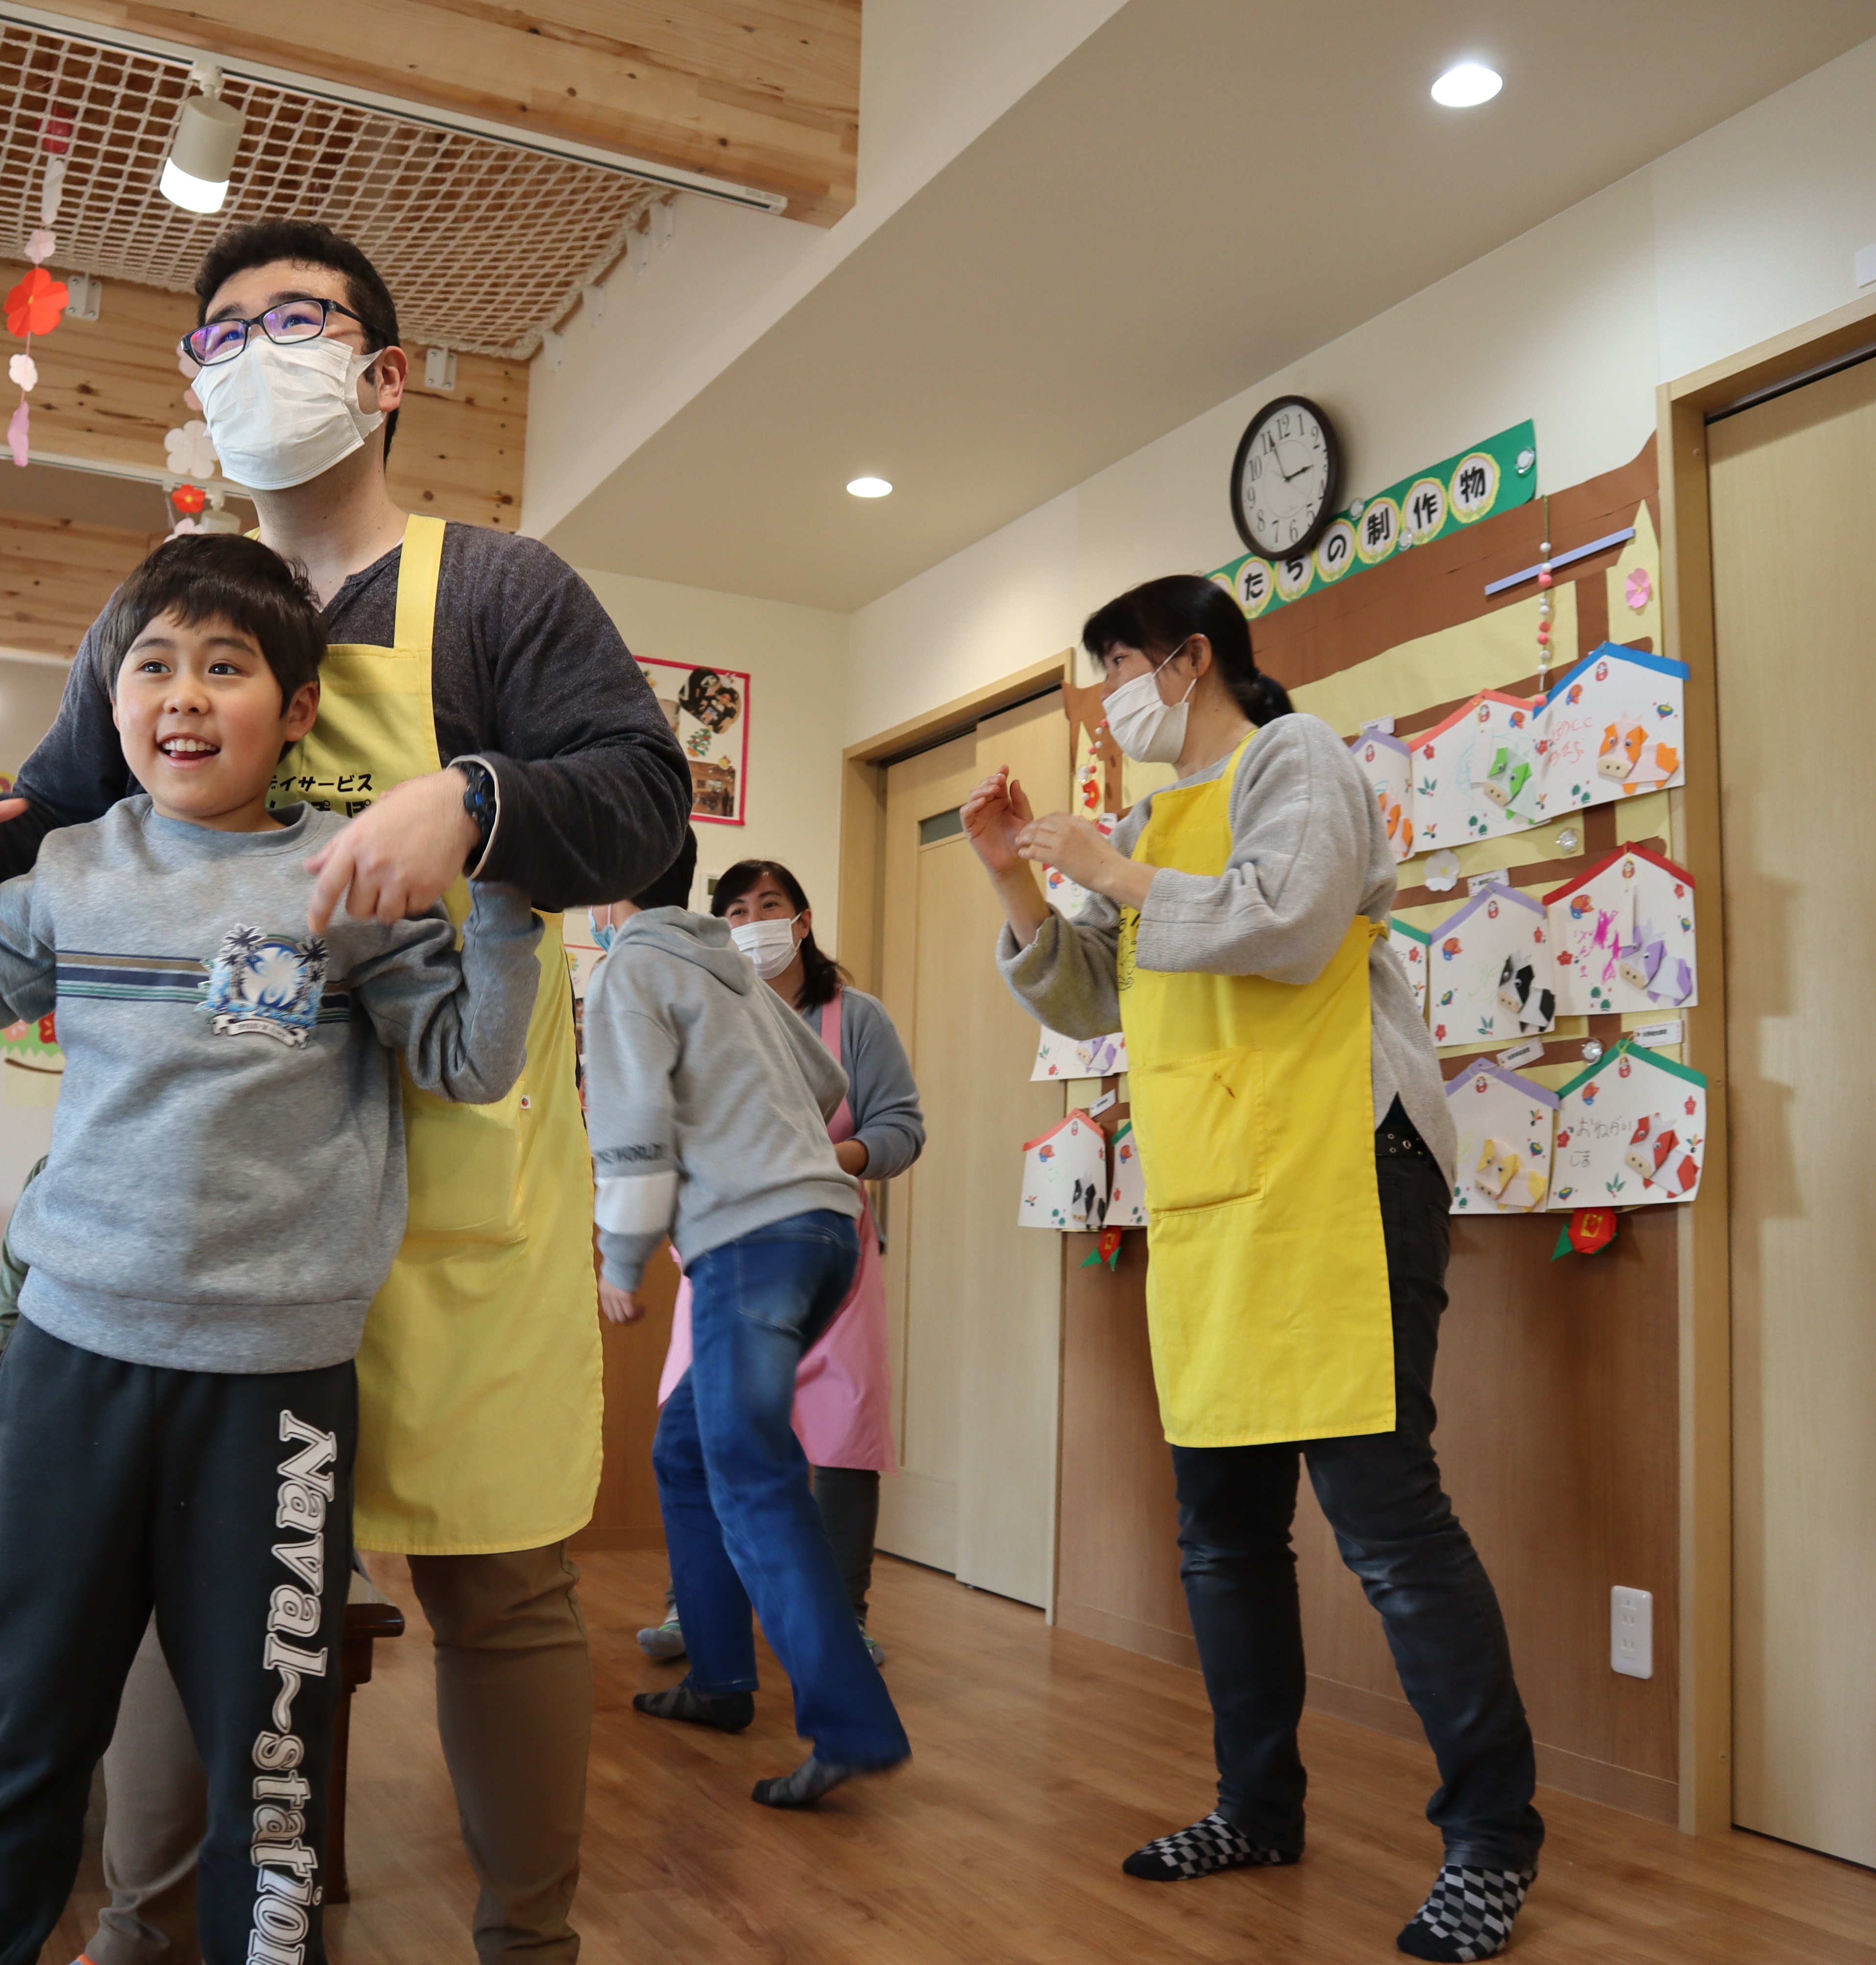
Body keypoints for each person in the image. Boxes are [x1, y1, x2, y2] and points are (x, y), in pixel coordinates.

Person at [0, 218, 687, 1965]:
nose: (255, 354)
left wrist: (475, 801)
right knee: (187, 1622)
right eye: (221, 334)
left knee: (494, 1583)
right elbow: (51, 822)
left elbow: (647, 808)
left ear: (382, 377)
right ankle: (159, 1929)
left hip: (447, 1197)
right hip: (203, 1234)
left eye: (296, 323)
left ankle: (528, 1938)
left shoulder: (500, 592)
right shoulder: (161, 614)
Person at [0, 532, 541, 1965]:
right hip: (71, 1362)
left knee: (275, 1759)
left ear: (295, 710)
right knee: (30, 1722)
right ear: (113, 701)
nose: (182, 693)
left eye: (225, 666)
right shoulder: (69, 866)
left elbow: (469, 1065)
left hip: (281, 1391)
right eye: (153, 664)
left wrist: (499, 891)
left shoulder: (350, 875)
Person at [964, 573, 1543, 1962]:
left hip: (1347, 1166)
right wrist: (1015, 874)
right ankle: (1257, 1804)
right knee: (1220, 1527)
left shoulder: (1303, 758)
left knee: (1387, 1522)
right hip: (1222, 1194)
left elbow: (1286, 922)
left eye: (1117, 671)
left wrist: (1107, 870)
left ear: (1188, 657)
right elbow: (1092, 993)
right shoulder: (1158, 820)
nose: (1110, 703)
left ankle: (1493, 1840)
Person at [585, 828, 913, 1807]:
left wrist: (622, 1255)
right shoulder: (727, 968)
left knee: (752, 1475)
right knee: (690, 1450)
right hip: (825, 1231)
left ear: (604, 894)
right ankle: (722, 1678)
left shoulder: (629, 971)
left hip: (753, 1242)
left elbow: (633, 1129)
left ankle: (851, 1723)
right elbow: (827, 1086)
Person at [639, 859, 923, 1666]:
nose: (753, 920)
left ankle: (841, 1619)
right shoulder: (701, 1009)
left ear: (801, 920)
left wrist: (835, 1158)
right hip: (721, 1246)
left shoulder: (856, 1020)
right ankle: (693, 1611)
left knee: (840, 1428)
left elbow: (902, 1125)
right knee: (702, 1425)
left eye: (770, 905)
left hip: (829, 1250)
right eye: (734, 908)